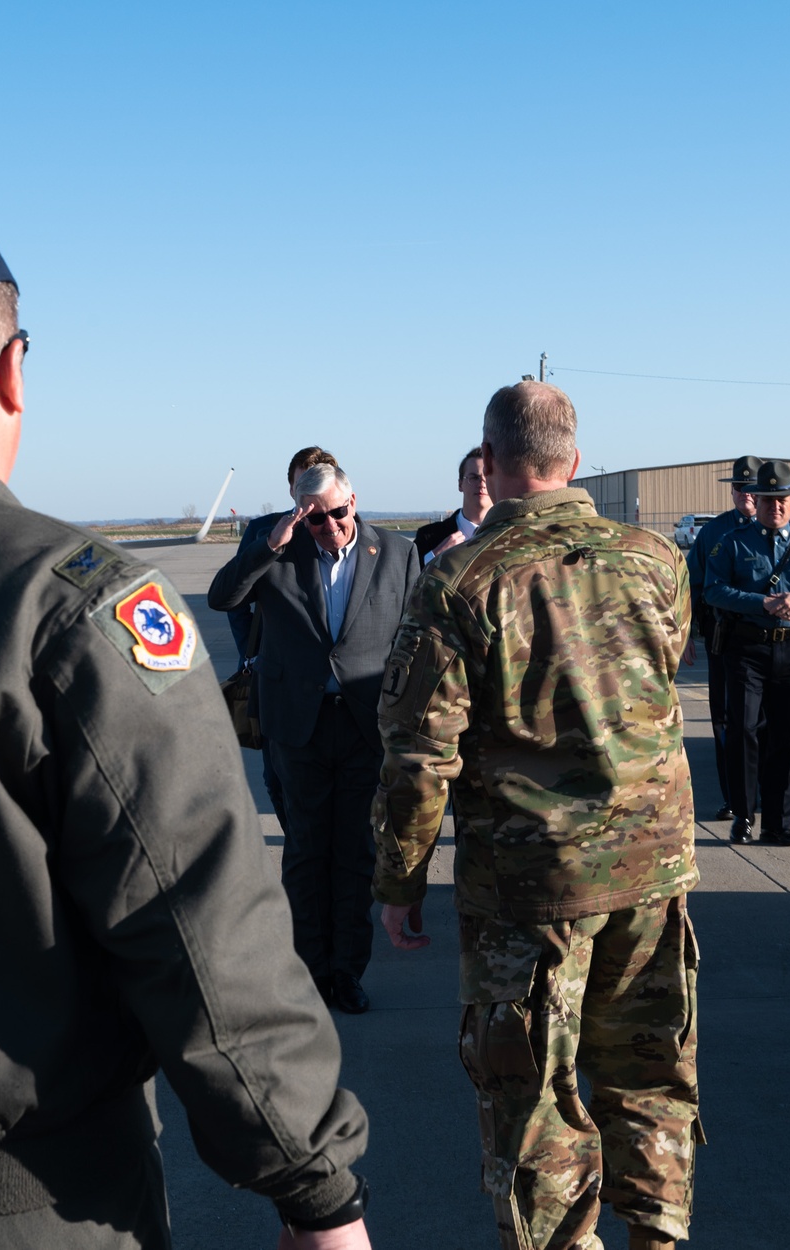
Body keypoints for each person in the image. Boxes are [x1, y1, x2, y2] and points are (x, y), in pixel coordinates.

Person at [0, 166, 372, 1250]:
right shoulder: (68, 603)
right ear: (15, 368)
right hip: (18, 1206)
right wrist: (316, 1186)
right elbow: (200, 922)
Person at [372, 381, 701, 1250]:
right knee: (651, 1073)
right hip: (653, 870)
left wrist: (399, 881)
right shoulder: (656, 559)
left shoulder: (461, 581)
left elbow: (418, 757)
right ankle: (658, 1238)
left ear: (489, 462)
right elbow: (659, 676)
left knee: (533, 1096)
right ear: (575, 461)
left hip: (533, 888)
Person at [209, 463, 419, 1013]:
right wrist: (269, 547)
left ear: (354, 497)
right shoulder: (279, 550)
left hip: (363, 723)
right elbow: (223, 599)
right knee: (305, 853)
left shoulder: (396, 554)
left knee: (354, 852)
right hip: (298, 724)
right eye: (316, 518)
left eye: (338, 512)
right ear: (301, 513)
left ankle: (347, 972)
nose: (330, 526)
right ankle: (306, 974)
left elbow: (419, 635)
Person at [227, 446, 339, 831]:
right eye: (300, 483)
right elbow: (234, 601)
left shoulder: (342, 528)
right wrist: (251, 654)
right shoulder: (264, 530)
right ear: (291, 488)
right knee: (276, 778)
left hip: (335, 687)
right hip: (275, 675)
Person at [704, 459, 790, 847]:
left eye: (782, 500)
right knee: (743, 731)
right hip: (747, 651)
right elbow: (714, 590)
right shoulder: (731, 542)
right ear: (756, 501)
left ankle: (778, 823)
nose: (774, 507)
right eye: (767, 500)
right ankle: (743, 816)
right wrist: (761, 603)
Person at [684, 455, 760, 820]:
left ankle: (765, 794)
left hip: (773, 645)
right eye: (738, 487)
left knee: (771, 726)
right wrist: (685, 634)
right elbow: (690, 587)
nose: (744, 494)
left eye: (750, 487)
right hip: (724, 641)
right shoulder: (714, 533)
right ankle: (734, 796)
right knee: (726, 722)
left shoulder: (785, 532)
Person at [414, 446, 493, 564]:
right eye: (474, 478)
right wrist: (435, 556)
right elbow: (407, 578)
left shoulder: (510, 533)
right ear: (460, 484)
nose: (482, 484)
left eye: (487, 477)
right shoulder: (428, 536)